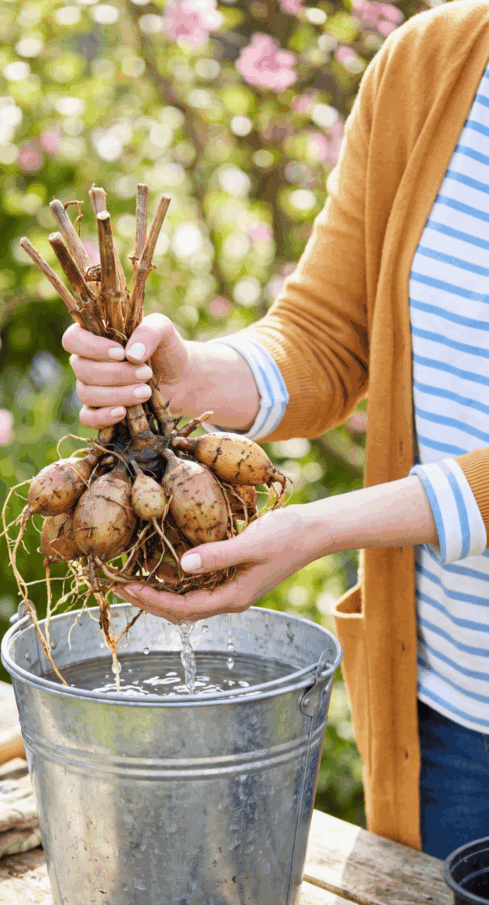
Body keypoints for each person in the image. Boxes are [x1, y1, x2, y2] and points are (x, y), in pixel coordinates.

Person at [62, 0, 489, 860]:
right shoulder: (431, 64)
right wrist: (191, 377)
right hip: (449, 722)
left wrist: (327, 525)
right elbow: (328, 335)